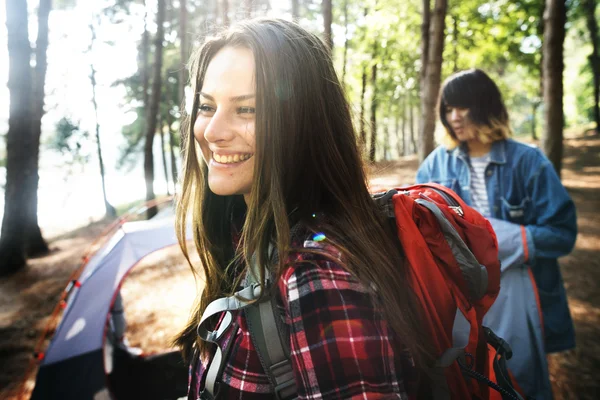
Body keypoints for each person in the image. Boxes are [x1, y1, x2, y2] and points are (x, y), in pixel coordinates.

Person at [173, 18, 431, 399]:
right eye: (207, 106)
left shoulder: (317, 275)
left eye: (247, 110)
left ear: (302, 124)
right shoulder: (246, 236)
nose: (212, 132)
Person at [416, 68, 578, 399]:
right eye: (448, 109)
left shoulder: (529, 163)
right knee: (469, 380)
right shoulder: (435, 166)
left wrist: (508, 240)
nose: (454, 117)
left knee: (520, 379)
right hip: (462, 300)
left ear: (486, 106)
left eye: (463, 107)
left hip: (519, 295)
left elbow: (562, 233)